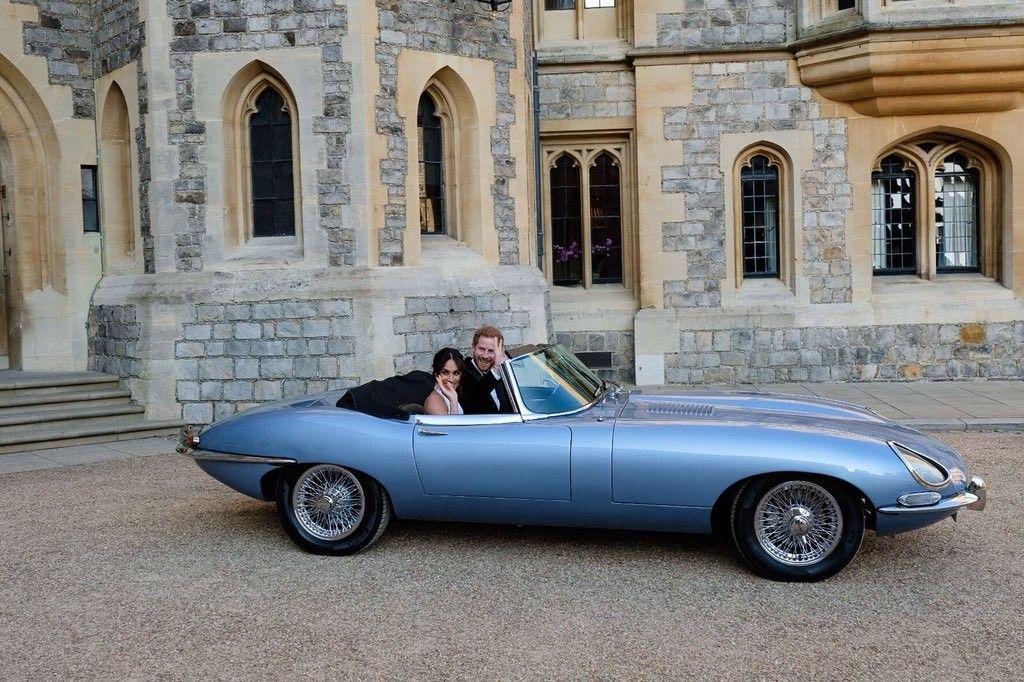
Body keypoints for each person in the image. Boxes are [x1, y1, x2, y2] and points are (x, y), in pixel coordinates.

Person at [461, 325, 514, 414]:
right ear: (473, 347)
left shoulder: (502, 374)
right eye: (481, 349)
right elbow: (475, 399)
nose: (485, 356)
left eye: (491, 351)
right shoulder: (463, 372)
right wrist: (496, 370)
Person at [424, 347, 466, 416]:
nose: (451, 379)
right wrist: (453, 400)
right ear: (436, 374)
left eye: (456, 373)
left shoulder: (450, 395)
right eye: (445, 372)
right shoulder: (434, 401)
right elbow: (451, 426)